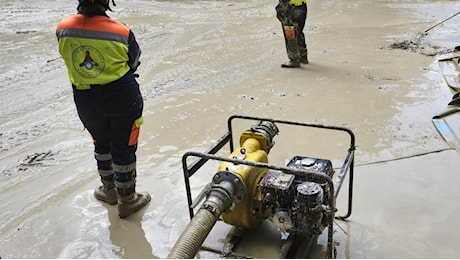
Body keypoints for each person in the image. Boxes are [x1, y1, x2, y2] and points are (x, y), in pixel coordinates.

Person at [56, 0, 151, 218]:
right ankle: (127, 199)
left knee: (101, 143)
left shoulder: (63, 28)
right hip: (122, 96)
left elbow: (67, 56)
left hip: (86, 98)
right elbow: (134, 61)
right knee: (124, 146)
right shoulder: (121, 31)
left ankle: (109, 191)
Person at [276, 0, 308, 68]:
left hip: (291, 9)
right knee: (299, 32)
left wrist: (279, 10)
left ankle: (294, 60)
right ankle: (303, 56)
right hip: (302, 6)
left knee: (290, 34)